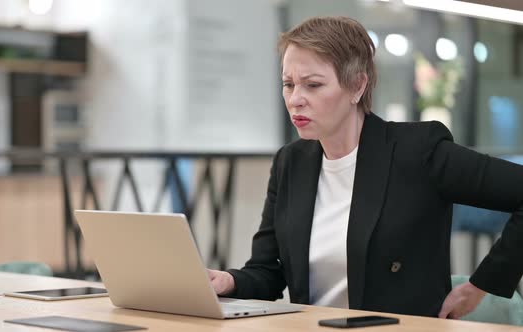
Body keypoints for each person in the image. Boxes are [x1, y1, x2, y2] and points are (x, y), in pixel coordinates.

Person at [207, 16, 523, 319]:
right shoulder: (291, 162)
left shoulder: (417, 151)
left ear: (357, 86)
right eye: (288, 84)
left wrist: (484, 284)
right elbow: (267, 274)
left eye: (313, 85)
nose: (295, 99)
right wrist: (228, 281)